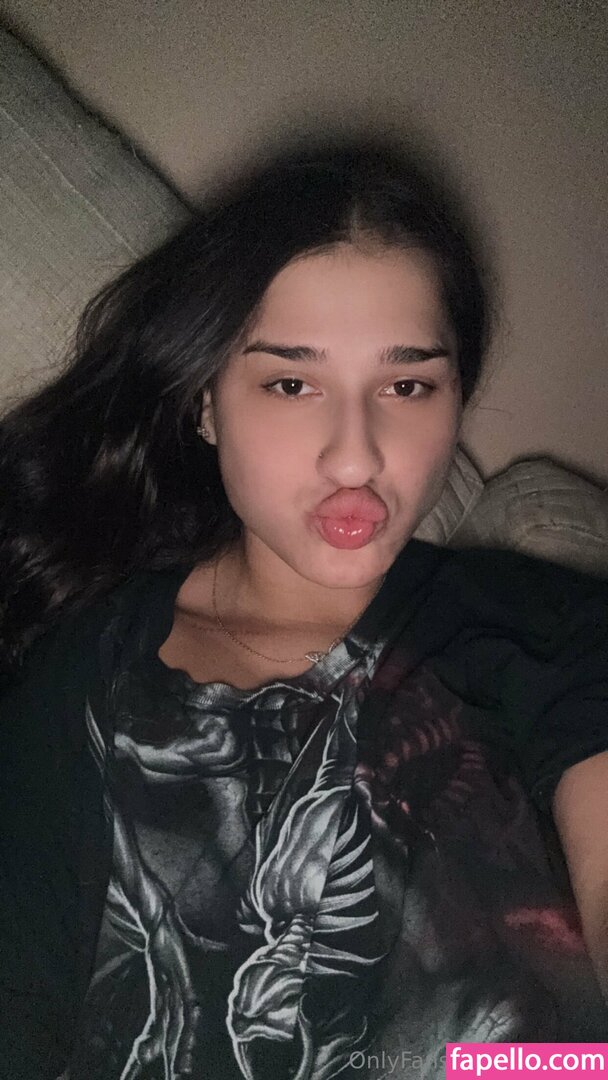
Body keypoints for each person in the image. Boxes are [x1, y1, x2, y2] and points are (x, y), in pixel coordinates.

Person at [1, 136, 607, 1080]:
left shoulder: (552, 628)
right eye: (291, 383)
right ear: (206, 403)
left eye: (407, 385)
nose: (355, 455)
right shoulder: (89, 672)